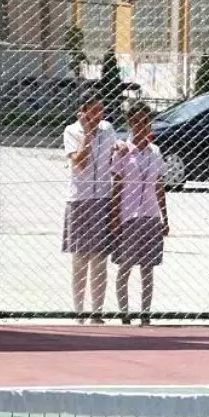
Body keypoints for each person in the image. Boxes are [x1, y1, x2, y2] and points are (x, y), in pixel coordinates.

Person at [62, 95, 120, 324]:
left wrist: (120, 147)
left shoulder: (107, 129)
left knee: (99, 258)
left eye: (101, 110)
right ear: (83, 111)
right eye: (93, 111)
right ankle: (79, 311)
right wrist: (87, 134)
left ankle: (97, 311)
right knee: (80, 258)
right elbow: (79, 162)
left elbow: (113, 156)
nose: (98, 116)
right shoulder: (72, 131)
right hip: (80, 198)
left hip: (103, 197)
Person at [110, 103, 168, 325]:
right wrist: (114, 217)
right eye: (135, 122)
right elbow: (116, 186)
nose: (140, 126)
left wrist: (164, 217)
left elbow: (159, 186)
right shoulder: (124, 151)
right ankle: (124, 313)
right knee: (125, 266)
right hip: (129, 216)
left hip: (151, 215)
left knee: (148, 268)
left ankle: (146, 314)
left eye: (144, 122)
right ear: (130, 124)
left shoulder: (155, 152)